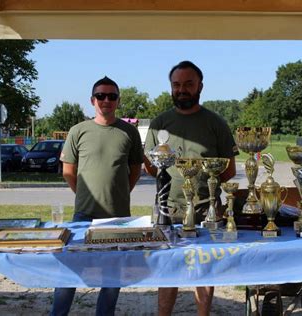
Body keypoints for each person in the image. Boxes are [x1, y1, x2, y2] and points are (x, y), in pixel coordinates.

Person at [144, 61, 238, 316]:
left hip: (207, 210)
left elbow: (228, 170)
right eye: (177, 85)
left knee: (204, 268)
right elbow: (152, 167)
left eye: (188, 84)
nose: (182, 89)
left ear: (200, 87)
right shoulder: (158, 124)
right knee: (168, 268)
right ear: (171, 87)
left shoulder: (215, 123)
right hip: (168, 211)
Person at [50, 76, 143, 316]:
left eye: (111, 96)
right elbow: (68, 171)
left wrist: (120, 193)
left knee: (112, 278)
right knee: (69, 273)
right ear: (92, 100)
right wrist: (84, 194)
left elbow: (134, 171)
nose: (106, 100)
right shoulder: (78, 131)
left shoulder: (129, 132)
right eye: (101, 96)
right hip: (84, 214)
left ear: (118, 101)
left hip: (119, 218)